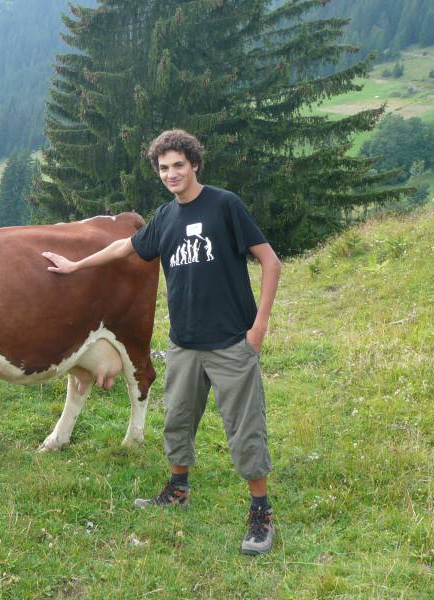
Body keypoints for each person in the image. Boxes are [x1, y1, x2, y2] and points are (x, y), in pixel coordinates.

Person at [42, 129, 281, 555]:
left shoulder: (224, 206)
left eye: (178, 165)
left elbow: (270, 260)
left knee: (244, 428)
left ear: (194, 165)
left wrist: (259, 326)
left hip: (230, 342)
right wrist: (75, 266)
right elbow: (123, 248)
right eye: (164, 167)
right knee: (178, 420)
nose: (171, 174)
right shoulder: (166, 219)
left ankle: (260, 512)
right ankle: (177, 489)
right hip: (184, 344)